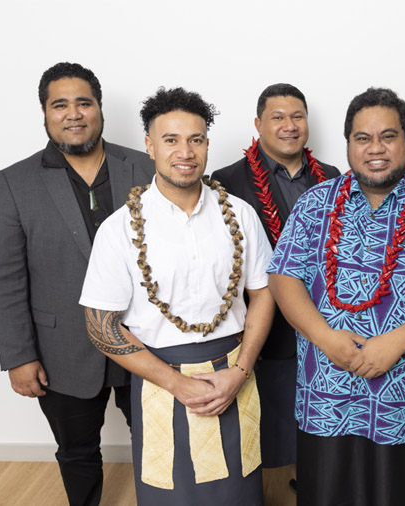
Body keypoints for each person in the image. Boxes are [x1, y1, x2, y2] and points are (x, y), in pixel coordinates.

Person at [267, 87, 405, 506]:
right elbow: (284, 279)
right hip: (326, 394)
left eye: (388, 137)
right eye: (363, 138)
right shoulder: (315, 204)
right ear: (348, 143)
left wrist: (394, 344)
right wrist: (325, 337)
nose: (376, 149)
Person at [79, 87, 275, 505]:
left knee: (239, 494)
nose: (185, 151)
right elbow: (101, 326)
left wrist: (238, 372)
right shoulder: (119, 228)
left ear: (207, 144)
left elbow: (264, 294)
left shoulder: (240, 214)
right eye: (171, 139)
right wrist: (177, 384)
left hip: (235, 372)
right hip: (159, 380)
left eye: (196, 139)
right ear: (149, 145)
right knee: (171, 493)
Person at [0, 62, 154, 506]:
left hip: (147, 338)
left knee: (158, 441)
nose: (73, 113)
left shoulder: (143, 166)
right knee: (77, 451)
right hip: (63, 349)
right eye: (60, 104)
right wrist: (19, 356)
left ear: (100, 109)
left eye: (84, 102)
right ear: (45, 113)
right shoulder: (15, 182)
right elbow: (3, 277)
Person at [210, 83, 340, 479]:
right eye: (278, 117)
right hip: (264, 327)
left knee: (321, 417)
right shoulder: (227, 179)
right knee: (265, 423)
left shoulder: (332, 177)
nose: (289, 126)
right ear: (258, 124)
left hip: (325, 320)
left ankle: (314, 484)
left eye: (297, 116)